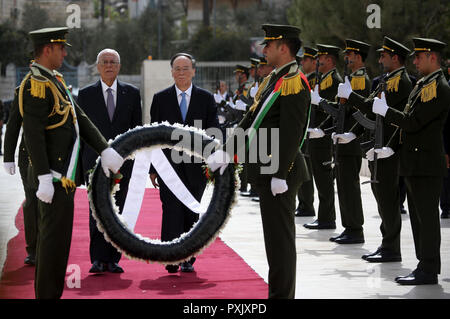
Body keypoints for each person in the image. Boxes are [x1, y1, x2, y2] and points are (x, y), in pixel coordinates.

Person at [207, 24, 310, 299]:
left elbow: (291, 133)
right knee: (274, 245)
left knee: (281, 245)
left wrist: (279, 173)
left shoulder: (293, 82)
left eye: (269, 45)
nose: (263, 49)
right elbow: (250, 121)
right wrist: (227, 151)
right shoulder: (274, 80)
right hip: (268, 171)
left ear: (283, 48)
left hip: (280, 174)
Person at [19, 27, 124, 299]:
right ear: (47, 50)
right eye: (61, 47)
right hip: (52, 178)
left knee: (57, 245)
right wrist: (42, 176)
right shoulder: (36, 85)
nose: (65, 52)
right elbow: (32, 135)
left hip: (62, 179)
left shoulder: (54, 80)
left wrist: (105, 149)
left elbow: (81, 118)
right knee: (52, 245)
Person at [371, 37, 450, 285]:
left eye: (419, 56)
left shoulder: (437, 87)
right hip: (415, 162)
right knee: (418, 218)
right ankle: (422, 265)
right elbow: (408, 124)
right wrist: (388, 146)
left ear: (432, 57)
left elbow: (414, 122)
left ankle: (428, 268)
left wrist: (386, 112)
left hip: (426, 163)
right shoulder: (423, 85)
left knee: (426, 220)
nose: (414, 61)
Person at [338, 36, 413, 262]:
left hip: (389, 150)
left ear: (395, 58)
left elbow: (377, 109)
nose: (379, 59)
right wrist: (354, 133)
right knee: (381, 199)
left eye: (384, 55)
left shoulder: (402, 82)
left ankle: (391, 248)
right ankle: (386, 244)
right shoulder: (386, 80)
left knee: (388, 201)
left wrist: (351, 97)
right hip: (377, 148)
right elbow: (371, 111)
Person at [149, 52, 219, 273]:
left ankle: (188, 257)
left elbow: (214, 132)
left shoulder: (206, 99)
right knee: (170, 210)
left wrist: (213, 161)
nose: (181, 72)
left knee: (191, 211)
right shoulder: (160, 99)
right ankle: (170, 256)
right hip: (168, 167)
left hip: (196, 168)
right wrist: (153, 168)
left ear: (193, 71)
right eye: (177, 68)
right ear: (171, 72)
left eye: (185, 68)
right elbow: (154, 135)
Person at [78, 48, 142, 274]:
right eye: (104, 62)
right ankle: (97, 258)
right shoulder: (85, 95)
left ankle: (113, 258)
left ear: (119, 66)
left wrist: (132, 161)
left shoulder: (132, 93)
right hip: (94, 163)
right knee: (96, 209)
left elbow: (137, 131)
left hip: (123, 164)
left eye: (113, 62)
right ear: (97, 66)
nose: (108, 66)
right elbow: (81, 133)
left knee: (117, 211)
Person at [311, 39, 371, 244]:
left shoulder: (360, 81)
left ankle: (355, 228)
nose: (347, 58)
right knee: (344, 188)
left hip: (351, 141)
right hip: (341, 140)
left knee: (350, 188)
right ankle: (350, 227)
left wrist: (349, 134)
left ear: (359, 57)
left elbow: (359, 112)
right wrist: (325, 129)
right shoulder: (350, 80)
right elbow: (339, 112)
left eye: (351, 55)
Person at [303, 44, 341, 230]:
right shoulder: (320, 79)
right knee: (319, 178)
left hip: (324, 137)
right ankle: (323, 216)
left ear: (331, 60)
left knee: (325, 180)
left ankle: (327, 218)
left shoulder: (334, 80)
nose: (318, 60)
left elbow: (333, 111)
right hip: (316, 136)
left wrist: (323, 130)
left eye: (322, 57)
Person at [3, 86, 39, 265]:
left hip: (56, 156)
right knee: (32, 202)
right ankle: (33, 249)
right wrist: (8, 157)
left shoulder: (59, 84)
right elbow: (13, 123)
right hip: (30, 157)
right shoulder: (23, 89)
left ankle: (50, 247)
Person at [296, 46, 319, 217]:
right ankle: (303, 204)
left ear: (313, 61)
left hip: (314, 133)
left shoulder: (315, 79)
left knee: (307, 172)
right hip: (305, 130)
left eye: (305, 60)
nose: (302, 62)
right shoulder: (305, 78)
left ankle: (307, 205)